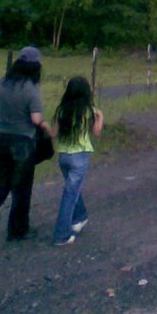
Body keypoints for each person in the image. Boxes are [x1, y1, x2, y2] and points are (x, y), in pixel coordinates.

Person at [0, 46, 50, 243]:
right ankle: (17, 230)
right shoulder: (32, 88)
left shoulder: (3, 84)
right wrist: (47, 127)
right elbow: (35, 118)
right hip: (22, 142)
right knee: (21, 188)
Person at [51, 76, 103, 246]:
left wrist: (44, 127)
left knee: (72, 189)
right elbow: (96, 132)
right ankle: (62, 234)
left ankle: (80, 217)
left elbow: (54, 134)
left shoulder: (61, 110)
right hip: (80, 156)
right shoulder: (89, 111)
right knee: (70, 195)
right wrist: (100, 118)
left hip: (63, 156)